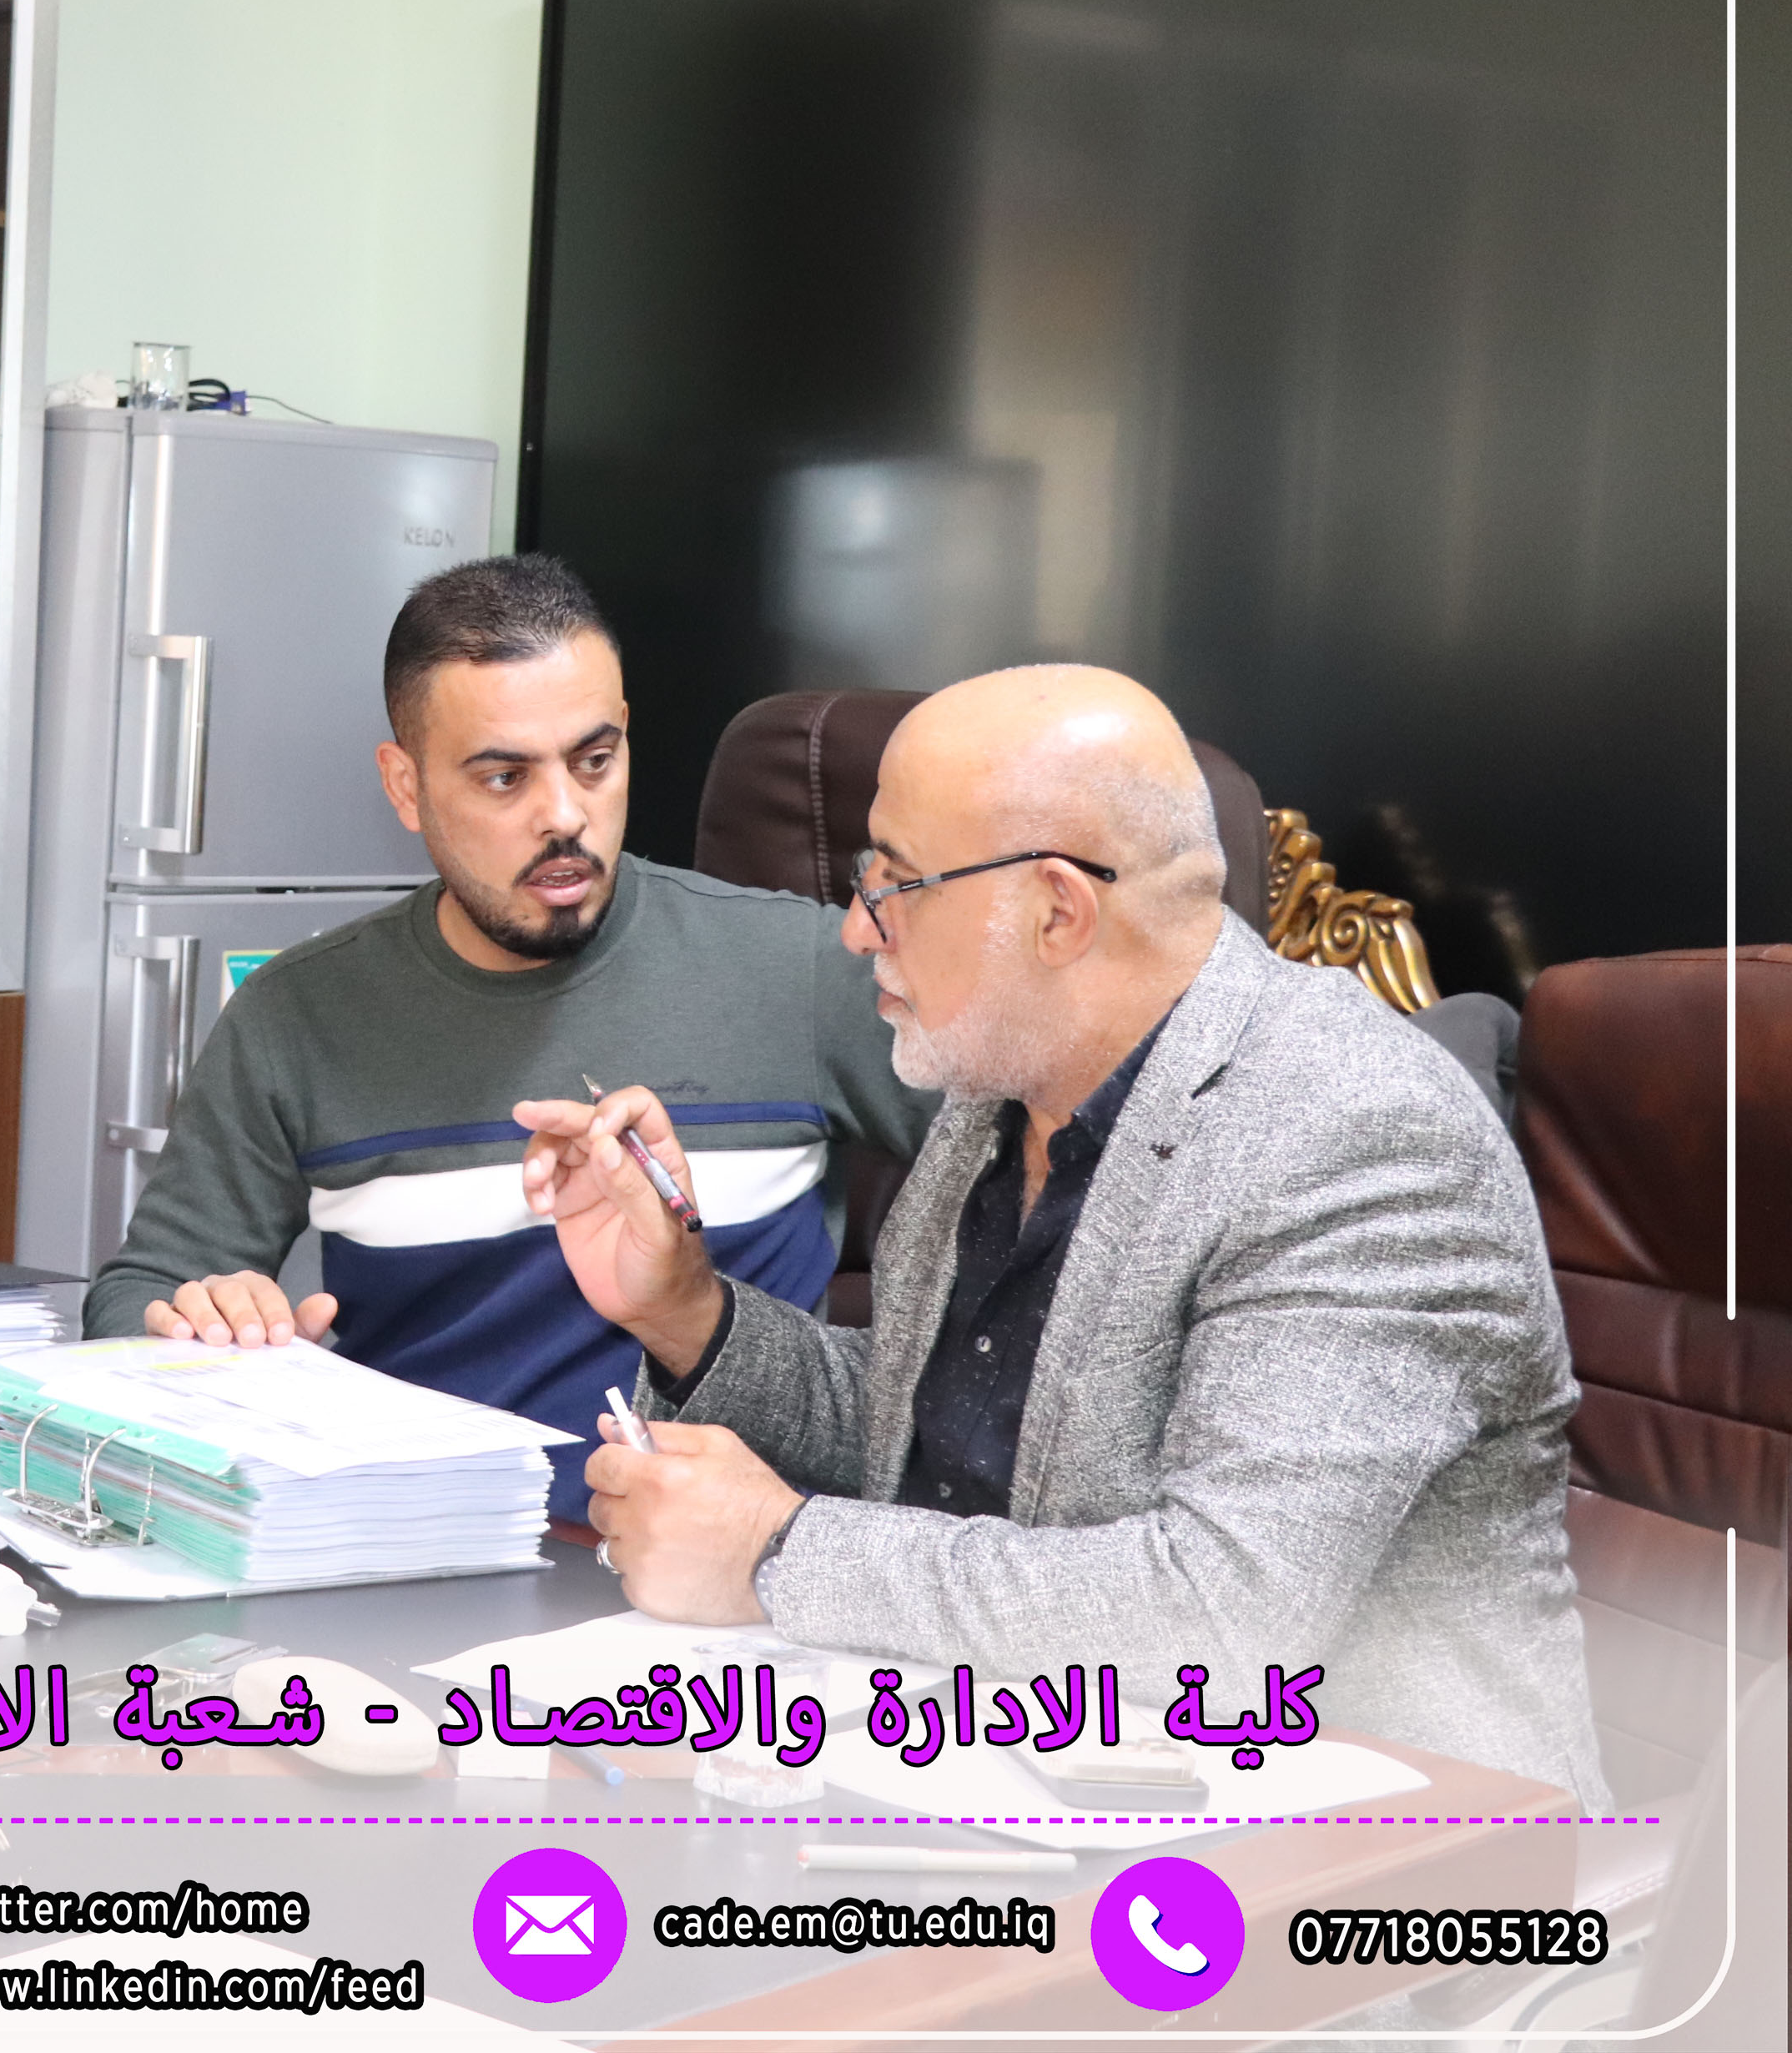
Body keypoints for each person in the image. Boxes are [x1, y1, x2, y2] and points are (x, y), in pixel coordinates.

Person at [521, 663, 1603, 1804]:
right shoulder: (1003, 1080)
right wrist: (683, 1309)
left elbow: (1221, 1623)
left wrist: (778, 1551)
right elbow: (924, 1428)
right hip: (1003, 1772)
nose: (855, 929)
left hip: (1378, 1841)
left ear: (1056, 911)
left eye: (893, 883)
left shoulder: (1356, 1133)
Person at [84, 555, 932, 1519]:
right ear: (405, 786)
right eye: (503, 777)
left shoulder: (810, 968)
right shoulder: (297, 1016)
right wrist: (197, 1325)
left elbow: (1045, 1202)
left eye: (594, 760)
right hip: (417, 1549)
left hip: (721, 1569)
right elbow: (135, 1296)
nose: (565, 815)